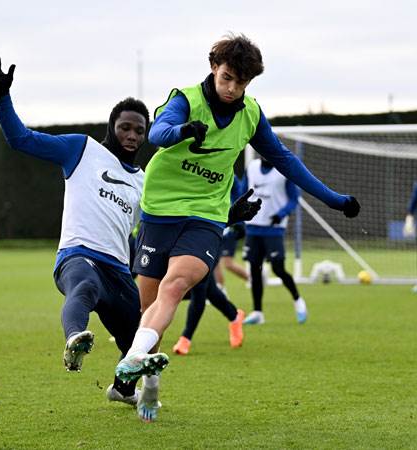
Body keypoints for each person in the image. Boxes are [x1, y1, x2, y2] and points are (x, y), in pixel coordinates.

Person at [114, 33, 361, 423]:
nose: (232, 89)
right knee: (148, 309)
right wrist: (181, 132)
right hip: (159, 211)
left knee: (176, 286)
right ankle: (149, 383)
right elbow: (158, 133)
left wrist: (333, 198)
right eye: (227, 77)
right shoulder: (187, 99)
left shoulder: (250, 114)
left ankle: (131, 358)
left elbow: (283, 159)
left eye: (241, 83)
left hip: (208, 215)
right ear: (214, 67)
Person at [0, 56, 150, 406]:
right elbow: (22, 140)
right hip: (78, 256)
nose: (132, 135)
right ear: (112, 127)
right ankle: (76, 338)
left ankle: (123, 390)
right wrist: (2, 99)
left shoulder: (144, 182)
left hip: (119, 270)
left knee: (137, 340)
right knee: (85, 287)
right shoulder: (82, 149)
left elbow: (167, 221)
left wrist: (230, 214)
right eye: (125, 127)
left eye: (139, 129)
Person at [241, 157, 306, 325]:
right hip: (253, 226)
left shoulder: (284, 170)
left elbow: (294, 199)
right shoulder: (252, 167)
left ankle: (298, 300)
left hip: (273, 228)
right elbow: (242, 191)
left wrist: (281, 214)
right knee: (255, 271)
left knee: (278, 269)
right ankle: (257, 312)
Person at [214, 176, 249, 287]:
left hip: (230, 228)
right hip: (216, 224)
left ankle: (254, 278)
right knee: (214, 263)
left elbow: (239, 196)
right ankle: (220, 291)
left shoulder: (230, 176)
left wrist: (239, 223)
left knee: (228, 263)